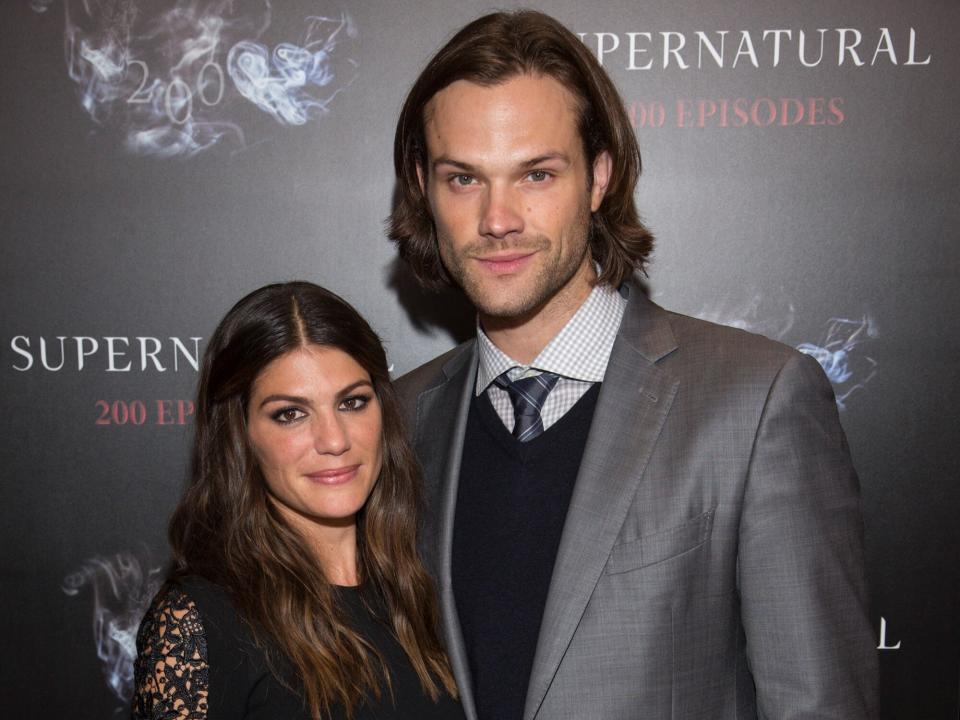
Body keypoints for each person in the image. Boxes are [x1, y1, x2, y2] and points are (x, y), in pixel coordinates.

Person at [389, 10, 879, 720]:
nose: (498, 219)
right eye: (463, 179)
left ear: (598, 176)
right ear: (423, 187)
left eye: (536, 174)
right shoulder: (394, 420)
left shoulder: (756, 402)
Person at [131, 282, 465, 720]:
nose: (334, 440)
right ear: (241, 435)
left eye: (352, 402)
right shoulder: (199, 621)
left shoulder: (425, 586)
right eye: (291, 413)